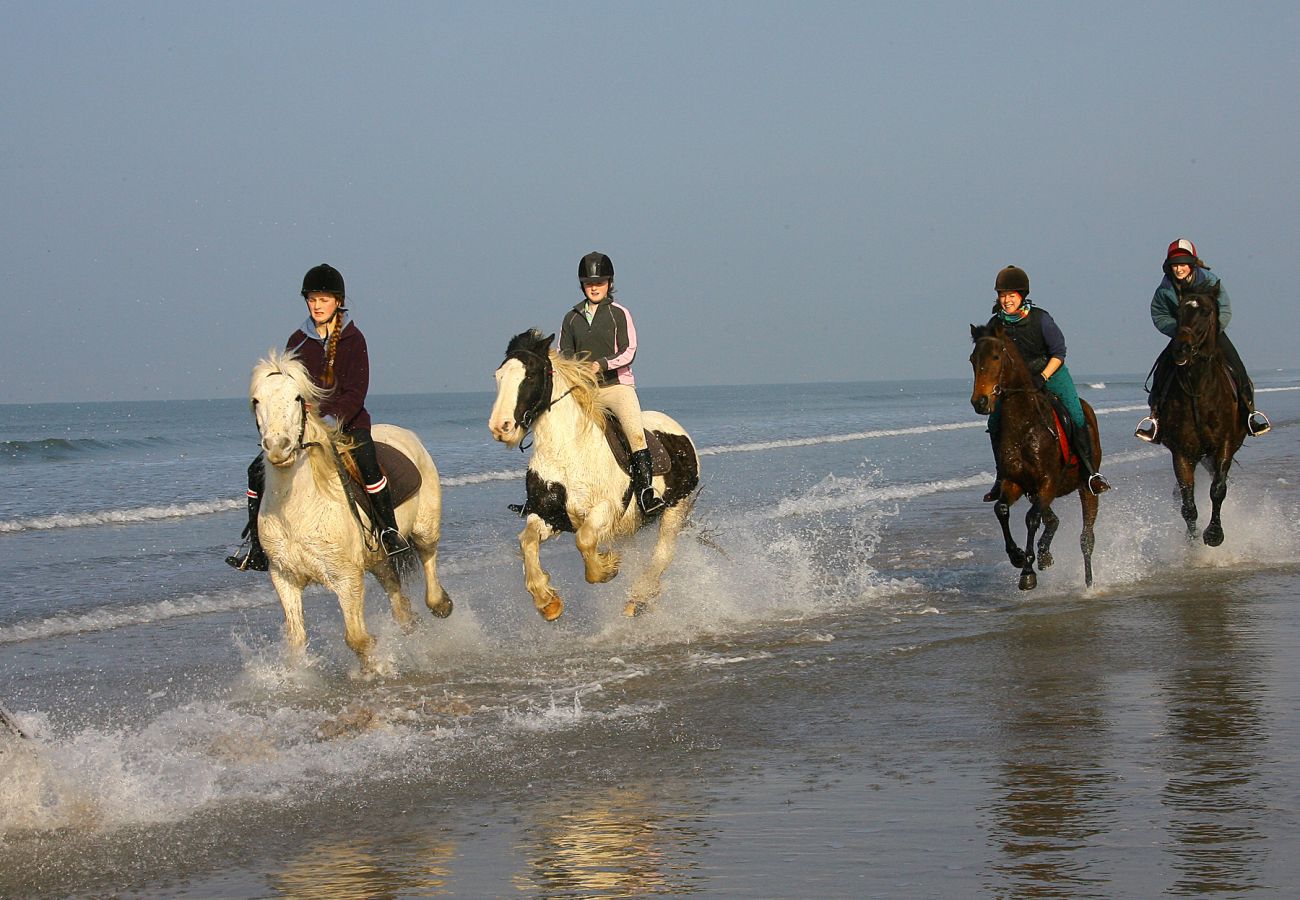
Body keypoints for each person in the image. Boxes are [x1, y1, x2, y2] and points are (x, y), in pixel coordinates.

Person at [226, 263, 409, 570]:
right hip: (305, 430)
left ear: (338, 301)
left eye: (324, 299)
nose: (317, 305)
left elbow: (356, 391)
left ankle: (389, 530)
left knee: (368, 465)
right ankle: (256, 546)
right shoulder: (296, 340)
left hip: (348, 423)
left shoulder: (354, 339)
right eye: (312, 299)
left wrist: (331, 419)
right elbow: (285, 389)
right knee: (255, 471)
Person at [983, 265, 1110, 500]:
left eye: (1011, 295)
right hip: (1017, 384)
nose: (1006, 300)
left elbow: (1059, 352)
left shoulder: (1041, 319)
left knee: (1077, 414)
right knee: (995, 421)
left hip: (1050, 372)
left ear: (1022, 296)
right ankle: (1001, 476)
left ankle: (1091, 474)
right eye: (1002, 295)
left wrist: (1042, 377)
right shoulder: (995, 323)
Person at [558, 251, 665, 516]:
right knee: (557, 430)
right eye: (589, 283)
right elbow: (563, 354)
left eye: (600, 282)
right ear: (582, 285)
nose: (594, 287)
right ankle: (546, 496)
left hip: (616, 386)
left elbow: (630, 351)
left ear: (609, 283)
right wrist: (575, 371)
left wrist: (602, 364)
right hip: (585, 390)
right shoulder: (571, 318)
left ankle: (645, 491)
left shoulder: (619, 314)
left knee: (634, 433)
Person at [1135, 238, 1270, 442]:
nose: (1178, 269)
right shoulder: (1164, 289)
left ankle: (1250, 414)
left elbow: (1224, 308)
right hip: (1183, 335)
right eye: (1174, 265)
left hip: (1210, 334)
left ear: (1191, 264)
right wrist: (1179, 331)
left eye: (1182, 264)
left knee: (1237, 367)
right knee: (1161, 370)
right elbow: (1159, 315)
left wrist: (1211, 331)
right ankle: (1155, 420)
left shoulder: (1210, 281)